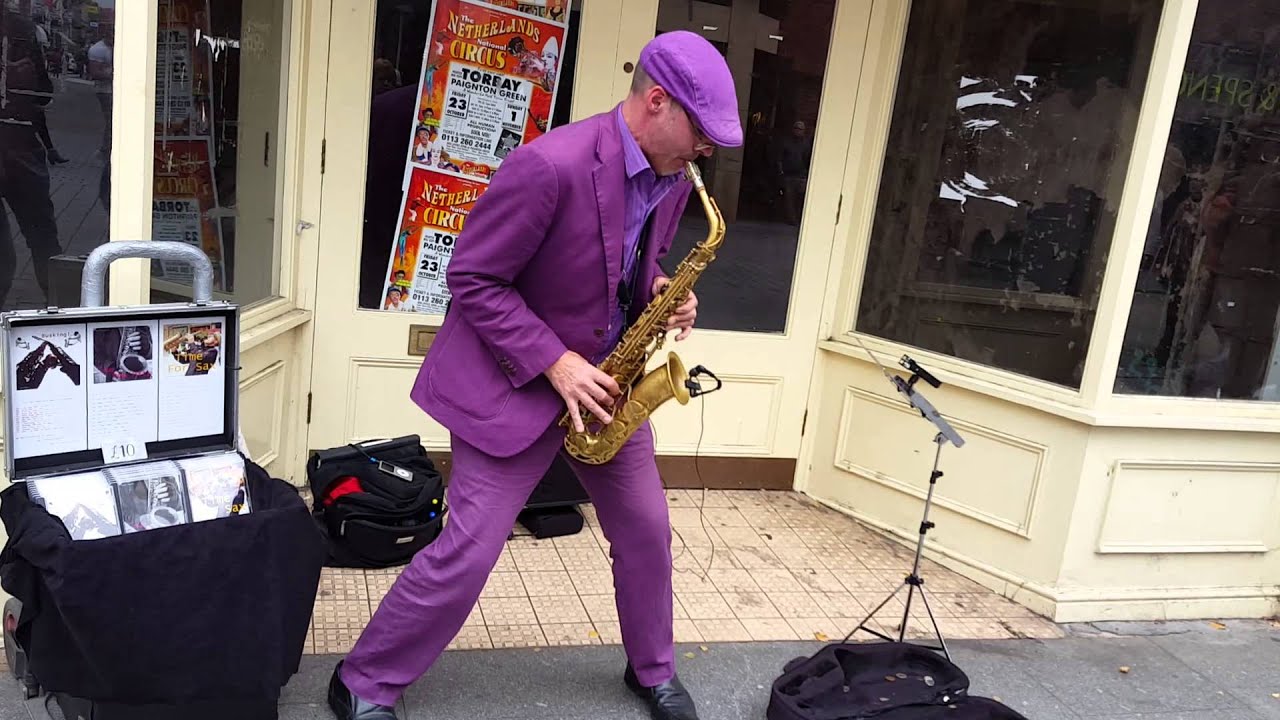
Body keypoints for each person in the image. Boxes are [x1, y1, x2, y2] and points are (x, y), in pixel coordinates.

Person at [326, 31, 741, 720]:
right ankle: (364, 680)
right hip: (515, 384)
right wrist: (556, 362)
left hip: (606, 387)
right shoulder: (549, 166)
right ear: (658, 102)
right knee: (471, 549)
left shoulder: (672, 184)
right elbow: (474, 279)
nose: (706, 153)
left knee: (645, 530)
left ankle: (653, 668)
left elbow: (632, 265)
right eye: (702, 134)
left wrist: (665, 289)